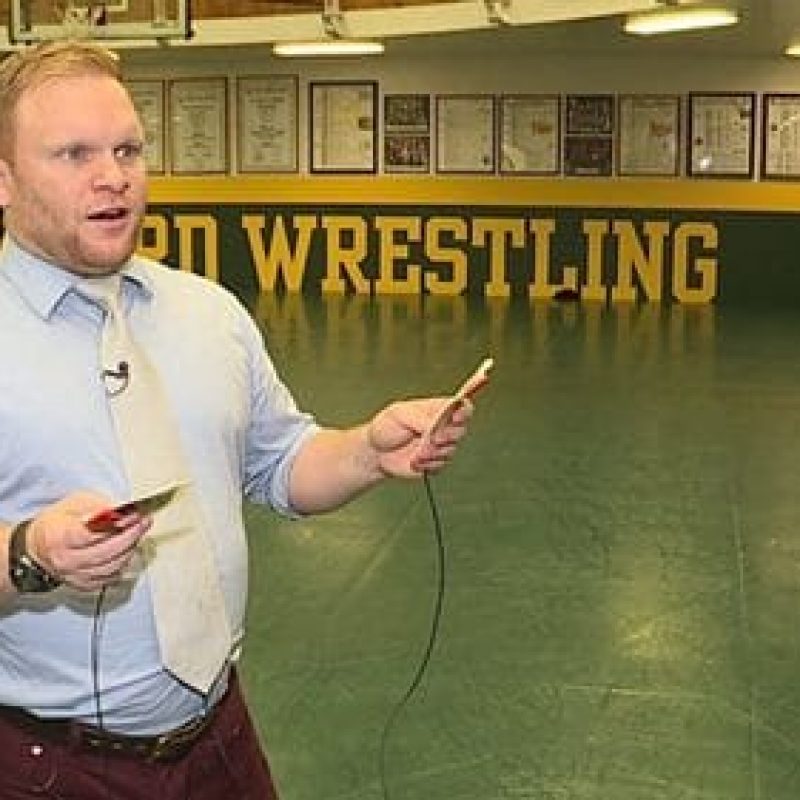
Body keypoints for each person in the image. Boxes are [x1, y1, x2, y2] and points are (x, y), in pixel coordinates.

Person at [0, 40, 475, 800]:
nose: (113, 176)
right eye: (73, 153)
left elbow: (280, 461)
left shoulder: (207, 313)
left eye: (128, 148)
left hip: (220, 740)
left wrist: (365, 451)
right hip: (46, 767)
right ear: (3, 177)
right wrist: (30, 551)